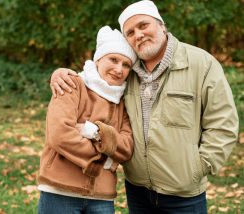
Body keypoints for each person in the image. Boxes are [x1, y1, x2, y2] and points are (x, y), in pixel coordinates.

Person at [48, 0, 239, 213]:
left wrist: (199, 168)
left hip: (184, 193)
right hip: (137, 190)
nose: (138, 34)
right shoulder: (126, 72)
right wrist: (61, 73)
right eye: (130, 33)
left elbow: (223, 122)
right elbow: (95, 79)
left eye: (143, 25)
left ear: (161, 25)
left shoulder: (201, 63)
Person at [37, 26, 136, 214]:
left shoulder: (123, 101)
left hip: (102, 196)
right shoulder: (71, 83)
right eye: (113, 59)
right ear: (98, 59)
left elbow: (126, 148)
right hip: (60, 190)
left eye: (126, 65)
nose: (118, 69)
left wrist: (93, 132)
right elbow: (59, 136)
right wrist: (105, 161)